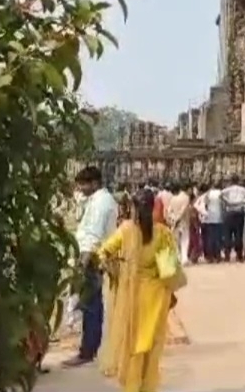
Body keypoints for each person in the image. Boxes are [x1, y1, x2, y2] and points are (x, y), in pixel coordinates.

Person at [97, 188, 184, 392]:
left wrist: (117, 269)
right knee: (151, 346)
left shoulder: (126, 230)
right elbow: (169, 271)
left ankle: (131, 385)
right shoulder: (162, 233)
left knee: (133, 343)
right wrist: (171, 294)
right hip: (156, 296)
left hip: (132, 294)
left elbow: (104, 252)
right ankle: (147, 387)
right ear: (154, 206)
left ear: (133, 208)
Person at [63, 166, 117, 368]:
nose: (81, 189)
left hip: (92, 258)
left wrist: (81, 264)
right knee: (91, 304)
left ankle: (87, 350)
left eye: (84, 185)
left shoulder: (101, 203)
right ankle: (89, 348)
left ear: (94, 183)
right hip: (92, 257)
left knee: (91, 306)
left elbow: (93, 236)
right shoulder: (98, 200)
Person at [221, 177, 245, 262]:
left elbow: (220, 195)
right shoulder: (242, 190)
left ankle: (227, 255)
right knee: (238, 234)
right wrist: (242, 202)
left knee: (228, 234)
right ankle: (239, 255)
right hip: (239, 212)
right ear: (238, 181)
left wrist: (227, 201)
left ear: (231, 181)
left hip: (229, 212)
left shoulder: (227, 189)